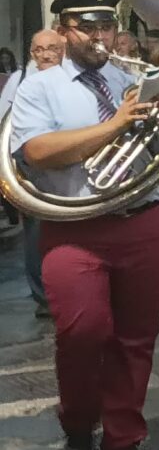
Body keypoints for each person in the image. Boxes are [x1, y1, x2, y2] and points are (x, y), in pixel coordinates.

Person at [9, 0, 159, 450]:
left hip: (144, 220)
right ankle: (78, 419)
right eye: (88, 27)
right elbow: (37, 151)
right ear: (63, 30)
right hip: (74, 228)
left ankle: (124, 435)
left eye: (108, 25)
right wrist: (115, 125)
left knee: (136, 339)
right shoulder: (38, 89)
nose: (101, 37)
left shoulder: (132, 79)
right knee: (83, 332)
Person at [0, 29, 65, 318]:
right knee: (36, 233)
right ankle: (43, 296)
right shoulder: (20, 79)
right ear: (32, 53)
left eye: (52, 48)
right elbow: (4, 125)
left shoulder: (69, 79)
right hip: (29, 165)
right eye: (39, 49)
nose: (46, 54)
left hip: (65, 161)